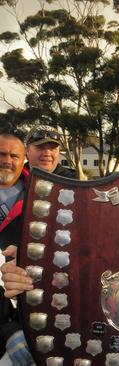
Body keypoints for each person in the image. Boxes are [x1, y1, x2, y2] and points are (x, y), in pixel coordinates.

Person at [0, 133, 33, 365]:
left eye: (14, 155)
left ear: (24, 160)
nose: (7, 160)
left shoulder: (40, 193)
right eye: (1, 154)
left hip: (19, 305)